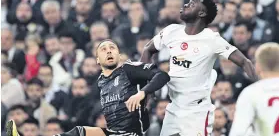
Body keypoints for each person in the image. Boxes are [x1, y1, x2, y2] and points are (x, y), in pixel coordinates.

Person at [140, 0, 256, 136]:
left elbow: (245, 62)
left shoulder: (212, 39)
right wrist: (146, 86)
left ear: (201, 13)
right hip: (174, 107)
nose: (185, 5)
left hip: (197, 112)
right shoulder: (171, 31)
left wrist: (262, 88)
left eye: (192, 4)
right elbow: (147, 50)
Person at [7, 39, 170, 136]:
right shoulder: (101, 81)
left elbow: (162, 75)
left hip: (131, 134)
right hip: (113, 132)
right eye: (104, 49)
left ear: (119, 56)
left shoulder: (129, 69)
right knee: (78, 132)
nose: (109, 51)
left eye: (112, 48)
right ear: (98, 60)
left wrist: (143, 93)